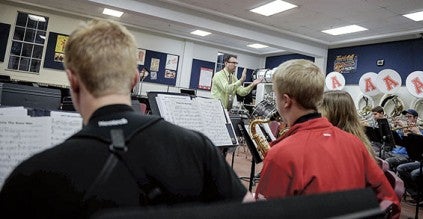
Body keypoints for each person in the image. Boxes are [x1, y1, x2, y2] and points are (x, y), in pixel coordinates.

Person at [0, 19, 252, 219]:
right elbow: (250, 209)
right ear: (134, 79)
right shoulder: (199, 147)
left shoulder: (29, 176)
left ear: (72, 81)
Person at [254, 59, 400, 218]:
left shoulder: (281, 153)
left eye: (275, 94)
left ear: (286, 100)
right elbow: (388, 202)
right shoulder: (355, 143)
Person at [319, 90, 376, 159]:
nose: (318, 113)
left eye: (321, 108)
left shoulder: (349, 146)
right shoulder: (359, 141)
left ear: (334, 113)